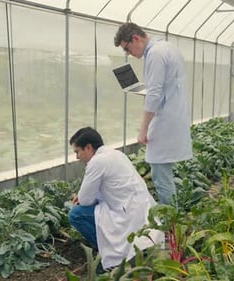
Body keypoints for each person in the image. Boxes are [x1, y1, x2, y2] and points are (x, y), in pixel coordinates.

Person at [114, 22, 193, 205]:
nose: (129, 54)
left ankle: (170, 225)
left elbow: (154, 95)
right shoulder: (166, 47)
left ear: (135, 38)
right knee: (164, 173)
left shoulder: (155, 54)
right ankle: (172, 221)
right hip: (173, 114)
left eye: (127, 49)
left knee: (161, 175)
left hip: (165, 120)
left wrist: (143, 130)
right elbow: (164, 88)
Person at [68, 127, 164, 273]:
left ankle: (107, 256)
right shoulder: (115, 154)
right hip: (141, 211)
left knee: (76, 214)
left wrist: (81, 198)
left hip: (126, 214)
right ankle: (114, 252)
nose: (77, 157)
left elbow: (86, 200)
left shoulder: (97, 162)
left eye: (77, 152)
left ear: (88, 147)